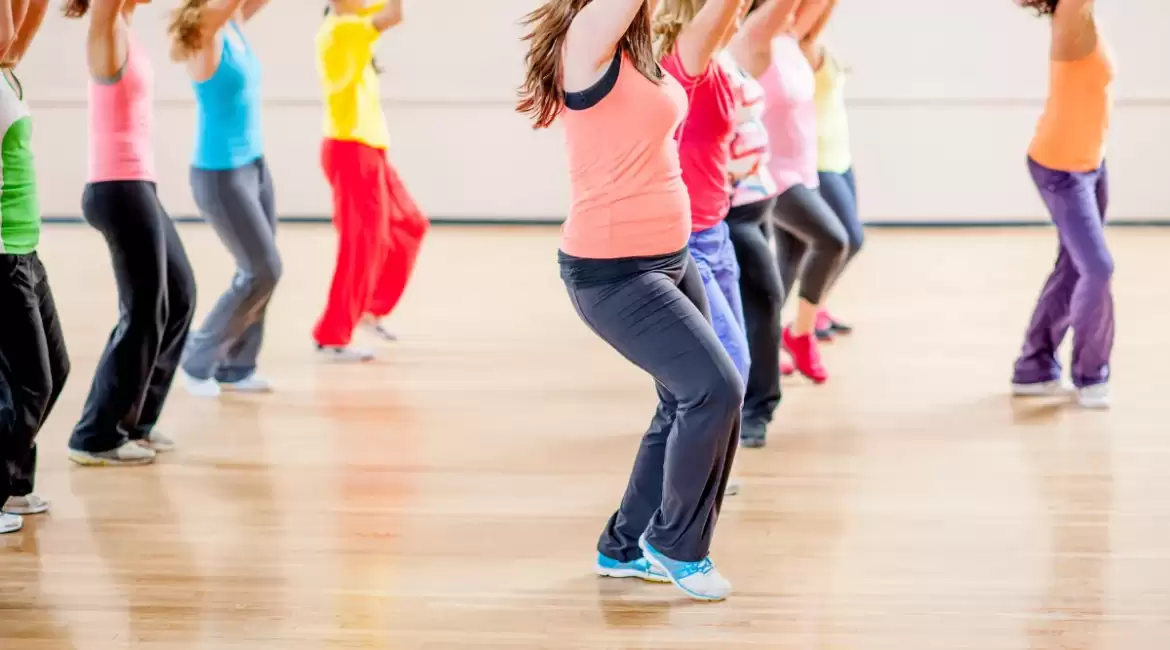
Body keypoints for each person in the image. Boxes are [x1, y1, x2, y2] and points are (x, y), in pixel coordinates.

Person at [518, 0, 745, 601]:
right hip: (612, 272)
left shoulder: (640, 60)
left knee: (681, 402)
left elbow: (718, 18)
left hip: (671, 260)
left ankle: (624, 546)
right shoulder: (585, 43)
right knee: (715, 389)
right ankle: (676, 546)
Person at [64, 0, 197, 466]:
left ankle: (135, 420)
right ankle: (95, 435)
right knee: (143, 311)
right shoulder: (105, 27)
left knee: (179, 297)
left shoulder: (126, 26)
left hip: (138, 184)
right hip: (116, 186)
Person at [169, 0, 279, 398]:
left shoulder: (231, 23)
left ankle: (237, 366)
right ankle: (198, 362)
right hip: (220, 175)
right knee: (262, 269)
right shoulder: (205, 30)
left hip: (254, 167)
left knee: (260, 273)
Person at [733, 0, 845, 384]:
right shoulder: (750, 41)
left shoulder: (790, 38)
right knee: (833, 240)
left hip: (802, 169)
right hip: (773, 175)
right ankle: (799, 334)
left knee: (789, 261)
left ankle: (765, 345)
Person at [313, 0, 428, 362]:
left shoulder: (352, 17)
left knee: (410, 224)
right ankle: (332, 334)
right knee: (362, 242)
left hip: (371, 148)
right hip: (351, 150)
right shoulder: (341, 29)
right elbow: (392, 14)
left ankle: (368, 308)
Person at [1011, 0, 1113, 409]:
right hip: (1061, 169)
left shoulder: (1082, 15)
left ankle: (1032, 368)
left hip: (1091, 163)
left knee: (1075, 265)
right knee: (1098, 267)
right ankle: (1091, 376)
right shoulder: (1071, 15)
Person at [0, 0, 64, 534]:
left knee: (55, 371)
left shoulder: (8, 72)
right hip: (2, 253)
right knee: (30, 385)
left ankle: (15, 484)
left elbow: (20, 30)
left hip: (26, 246)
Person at [719, 0, 790, 446]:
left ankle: (754, 406)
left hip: (756, 202)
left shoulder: (732, 48)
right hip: (727, 209)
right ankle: (752, 410)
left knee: (760, 302)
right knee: (762, 299)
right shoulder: (704, 53)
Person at [803, 0, 859, 341]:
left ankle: (816, 308)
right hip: (818, 161)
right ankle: (804, 319)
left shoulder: (820, 41)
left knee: (848, 241)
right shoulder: (797, 46)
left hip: (840, 157)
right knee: (848, 238)